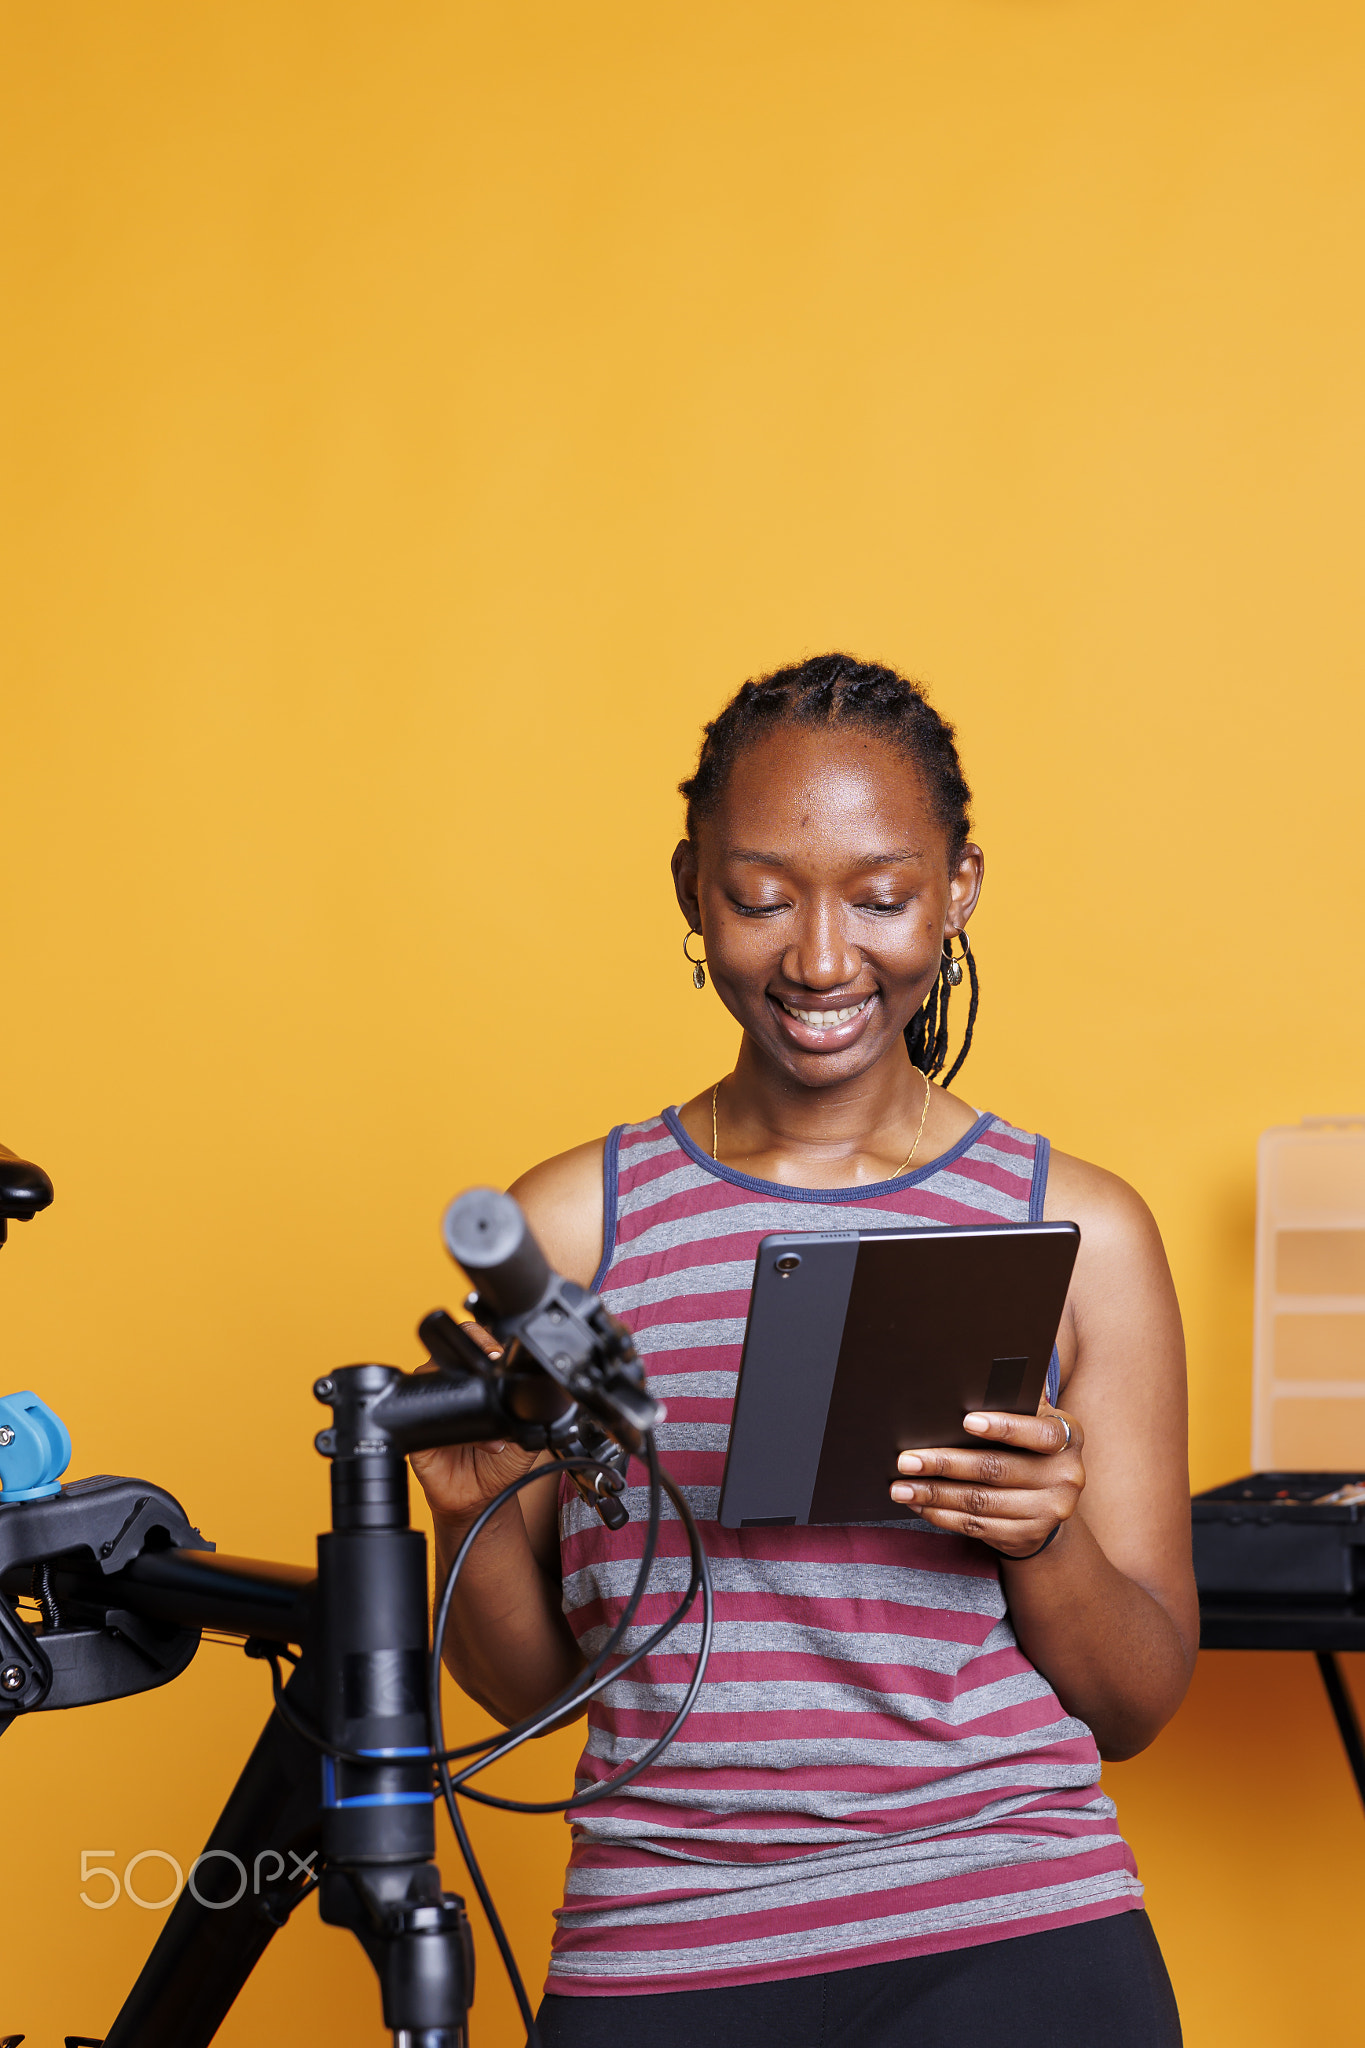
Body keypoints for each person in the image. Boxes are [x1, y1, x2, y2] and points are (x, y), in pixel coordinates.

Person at [411, 653, 1195, 2048]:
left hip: (1011, 1935)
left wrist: (1041, 1541)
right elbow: (536, 1696)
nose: (822, 959)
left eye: (881, 898)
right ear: (688, 889)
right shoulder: (562, 1236)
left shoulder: (1078, 1229)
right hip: (662, 1955)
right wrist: (466, 1514)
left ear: (956, 889)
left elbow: (1136, 1700)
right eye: (760, 897)